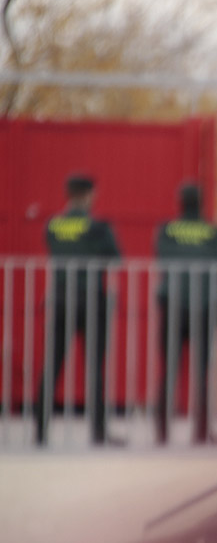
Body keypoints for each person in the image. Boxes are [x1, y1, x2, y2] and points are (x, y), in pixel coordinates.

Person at [36, 174, 120, 446]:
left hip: (61, 297)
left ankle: (39, 431)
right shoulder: (98, 227)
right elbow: (115, 257)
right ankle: (98, 431)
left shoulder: (54, 225)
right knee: (94, 366)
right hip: (91, 298)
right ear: (87, 195)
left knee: (52, 363)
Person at [155, 184, 217, 444]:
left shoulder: (168, 230)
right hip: (204, 305)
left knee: (169, 368)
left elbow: (161, 258)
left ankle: (162, 431)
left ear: (181, 202)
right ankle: (202, 431)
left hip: (173, 304)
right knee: (202, 370)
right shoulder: (212, 232)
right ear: (201, 202)